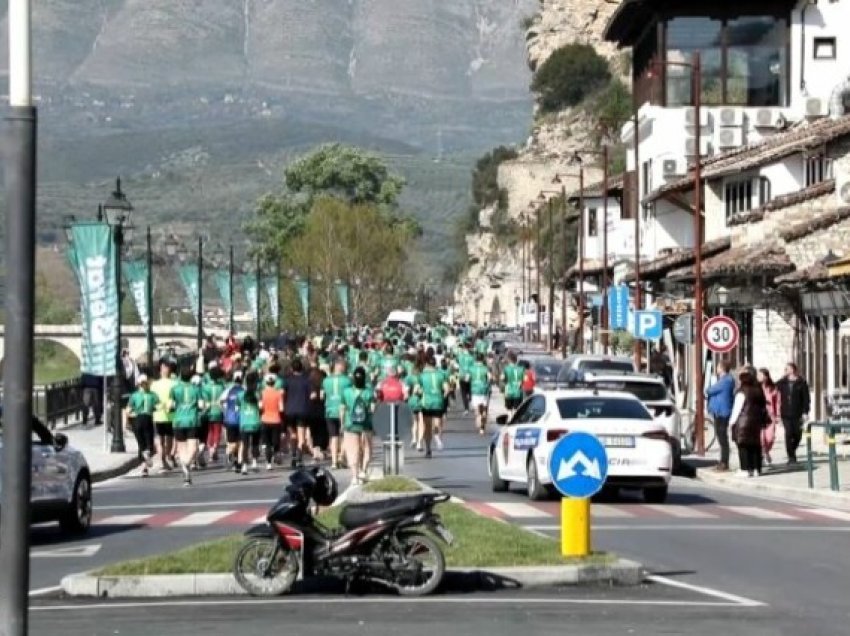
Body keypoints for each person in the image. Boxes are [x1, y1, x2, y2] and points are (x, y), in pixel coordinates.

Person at [340, 367, 376, 485]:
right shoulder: (369, 392)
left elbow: (342, 409)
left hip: (350, 425)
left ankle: (354, 475)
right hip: (366, 425)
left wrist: (342, 423)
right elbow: (372, 409)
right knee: (367, 448)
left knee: (352, 450)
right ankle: (364, 470)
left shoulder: (346, 392)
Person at [168, 366, 204, 486]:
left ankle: (185, 465)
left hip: (178, 421)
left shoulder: (174, 389)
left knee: (183, 448)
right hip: (192, 420)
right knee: (193, 449)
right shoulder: (196, 389)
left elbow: (170, 406)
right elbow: (201, 405)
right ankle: (186, 471)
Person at [730, 368, 768, 478]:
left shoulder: (742, 392)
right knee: (755, 446)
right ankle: (756, 469)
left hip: (743, 422)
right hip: (756, 422)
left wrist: (731, 422)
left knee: (743, 446)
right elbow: (763, 406)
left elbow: (736, 409)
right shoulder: (758, 390)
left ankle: (745, 469)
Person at [776, 362, 811, 465]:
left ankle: (792, 450)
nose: (785, 371)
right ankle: (791, 457)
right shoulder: (782, 382)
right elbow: (773, 388)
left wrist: (805, 411)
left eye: (787, 369)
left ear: (792, 370)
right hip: (785, 412)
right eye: (785, 369)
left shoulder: (801, 382)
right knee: (788, 433)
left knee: (797, 434)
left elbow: (806, 399)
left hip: (797, 413)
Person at [321, 358, 352, 470]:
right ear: (340, 366)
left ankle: (334, 462)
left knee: (333, 437)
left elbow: (322, 396)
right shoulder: (347, 380)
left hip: (329, 410)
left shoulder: (325, 381)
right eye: (344, 366)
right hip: (344, 410)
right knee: (345, 435)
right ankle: (341, 456)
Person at [705, 360, 735, 472]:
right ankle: (723, 461)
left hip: (723, 412)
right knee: (721, 437)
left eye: (718, 367)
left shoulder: (726, 380)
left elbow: (710, 390)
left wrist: (707, 388)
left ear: (722, 368)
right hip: (719, 411)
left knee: (723, 438)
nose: (716, 369)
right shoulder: (723, 380)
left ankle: (724, 462)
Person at [125, 374, 158, 476]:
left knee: (141, 444)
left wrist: (127, 422)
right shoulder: (152, 395)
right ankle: (145, 463)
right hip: (147, 419)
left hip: (137, 420)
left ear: (138, 384)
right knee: (149, 444)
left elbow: (128, 410)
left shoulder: (134, 396)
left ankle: (144, 468)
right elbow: (158, 406)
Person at [283, 357, 312, 468]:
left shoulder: (287, 380)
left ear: (291, 368)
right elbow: (312, 395)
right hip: (302, 409)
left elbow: (283, 393)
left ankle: (294, 454)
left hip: (289, 410)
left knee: (293, 434)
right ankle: (299, 457)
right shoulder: (306, 380)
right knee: (301, 436)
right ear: (302, 368)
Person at [419, 355, 448, 458]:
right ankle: (437, 437)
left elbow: (418, 389)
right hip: (438, 401)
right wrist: (442, 397)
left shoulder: (422, 376)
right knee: (437, 423)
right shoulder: (441, 375)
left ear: (427, 364)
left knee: (427, 426)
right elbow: (447, 389)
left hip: (426, 403)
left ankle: (428, 449)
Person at [151, 361, 177, 473]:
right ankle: (166, 458)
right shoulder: (174, 384)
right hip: (170, 415)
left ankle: (162, 460)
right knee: (169, 438)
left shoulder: (154, 385)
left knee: (160, 439)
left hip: (158, 414)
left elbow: (152, 399)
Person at [221, 371, 245, 471]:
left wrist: (225, 411)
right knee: (241, 442)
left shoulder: (228, 390)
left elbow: (221, 401)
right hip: (241, 420)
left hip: (230, 419)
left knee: (232, 443)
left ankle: (231, 457)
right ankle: (239, 461)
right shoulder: (245, 390)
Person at [239, 372, 263, 474]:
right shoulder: (257, 395)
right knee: (255, 444)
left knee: (245, 445)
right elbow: (261, 407)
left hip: (244, 422)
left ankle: (244, 465)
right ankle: (254, 463)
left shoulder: (240, 395)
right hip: (255, 421)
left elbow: (237, 407)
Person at [260, 373, 284, 470]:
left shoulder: (262, 393)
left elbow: (260, 406)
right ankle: (276, 454)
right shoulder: (278, 393)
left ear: (266, 382)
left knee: (267, 443)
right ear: (274, 382)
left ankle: (268, 463)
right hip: (276, 420)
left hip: (265, 419)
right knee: (276, 441)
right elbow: (281, 408)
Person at [758, 368, 780, 468]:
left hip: (770, 416)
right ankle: (763, 455)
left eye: (761, 375)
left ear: (766, 376)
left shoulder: (773, 388)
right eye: (759, 375)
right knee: (761, 438)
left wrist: (778, 414)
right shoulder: (756, 387)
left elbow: (778, 402)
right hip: (759, 415)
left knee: (770, 438)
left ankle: (766, 452)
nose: (759, 377)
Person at [469, 353, 492, 435]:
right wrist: (487, 383)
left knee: (477, 410)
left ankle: (479, 418)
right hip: (484, 391)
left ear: (476, 359)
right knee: (484, 409)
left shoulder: (471, 368)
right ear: (483, 359)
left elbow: (467, 378)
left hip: (475, 390)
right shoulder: (486, 368)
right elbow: (490, 378)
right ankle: (482, 427)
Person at [501, 351, 524, 418]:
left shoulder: (506, 369)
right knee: (516, 409)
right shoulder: (521, 369)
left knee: (509, 409)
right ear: (516, 360)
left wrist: (506, 382)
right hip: (518, 392)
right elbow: (524, 379)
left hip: (509, 391)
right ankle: (514, 419)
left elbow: (502, 378)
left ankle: (510, 419)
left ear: (509, 360)